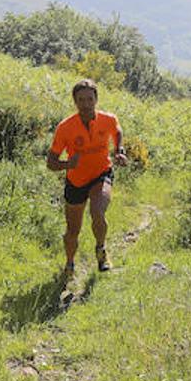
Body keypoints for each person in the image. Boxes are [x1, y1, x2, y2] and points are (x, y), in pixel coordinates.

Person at [47, 79, 127, 279]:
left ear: (96, 100)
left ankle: (101, 251)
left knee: (97, 212)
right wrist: (67, 165)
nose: (86, 104)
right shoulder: (65, 127)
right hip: (76, 181)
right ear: (75, 102)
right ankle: (70, 265)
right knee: (72, 231)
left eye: (89, 99)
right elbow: (51, 162)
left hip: (101, 173)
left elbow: (117, 131)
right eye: (81, 100)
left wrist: (118, 151)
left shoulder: (107, 120)